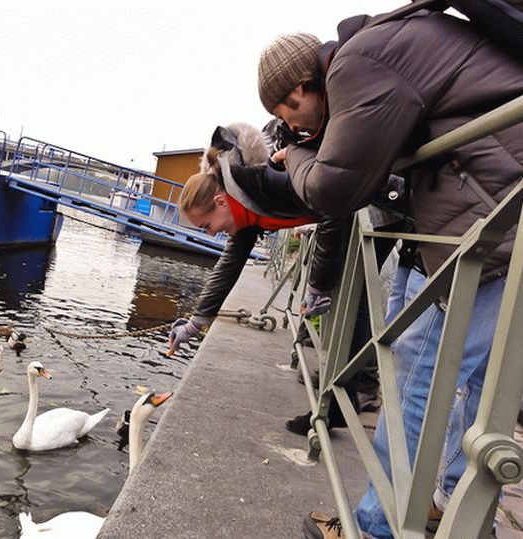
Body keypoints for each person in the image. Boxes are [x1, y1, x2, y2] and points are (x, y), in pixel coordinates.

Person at [255, 6, 523, 539]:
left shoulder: (356, 64)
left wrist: (300, 156)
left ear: (303, 86)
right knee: (463, 377)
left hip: (501, 218)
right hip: (499, 210)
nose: (294, 125)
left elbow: (335, 188)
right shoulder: (383, 49)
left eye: (290, 112)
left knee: (422, 374)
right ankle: (448, 502)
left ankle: (376, 527)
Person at [169, 123, 403, 434]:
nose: (211, 233)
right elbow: (230, 264)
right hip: (356, 207)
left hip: (381, 201)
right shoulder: (244, 205)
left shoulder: (263, 182)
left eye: (207, 225)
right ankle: (344, 395)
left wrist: (318, 284)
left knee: (351, 292)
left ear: (221, 202)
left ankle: (352, 393)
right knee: (347, 292)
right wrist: (196, 322)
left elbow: (332, 201)